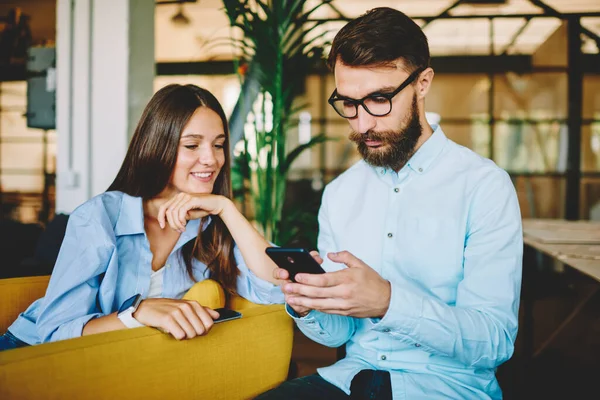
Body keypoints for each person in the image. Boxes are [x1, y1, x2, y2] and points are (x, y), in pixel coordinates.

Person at [258, 7, 522, 400]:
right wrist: (308, 305)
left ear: (423, 83)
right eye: (348, 103)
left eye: (379, 99)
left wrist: (387, 301)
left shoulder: (484, 187)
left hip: (447, 387)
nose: (362, 124)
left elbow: (493, 342)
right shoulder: (340, 193)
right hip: (350, 377)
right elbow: (339, 333)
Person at [0, 84, 284, 351]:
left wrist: (226, 208)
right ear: (159, 146)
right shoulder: (100, 217)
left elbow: (277, 285)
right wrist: (138, 312)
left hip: (118, 363)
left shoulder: (210, 224)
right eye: (192, 145)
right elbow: (55, 332)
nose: (211, 159)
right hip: (31, 353)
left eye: (218, 145)